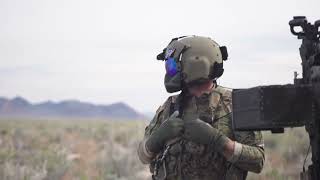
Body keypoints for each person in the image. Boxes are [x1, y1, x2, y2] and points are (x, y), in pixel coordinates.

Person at [137, 36, 265, 180]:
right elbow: (143, 156)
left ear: (196, 65)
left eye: (172, 67)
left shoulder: (235, 104)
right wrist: (158, 138)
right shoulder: (171, 106)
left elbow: (258, 161)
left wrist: (218, 141)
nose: (169, 73)